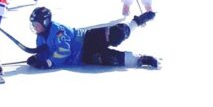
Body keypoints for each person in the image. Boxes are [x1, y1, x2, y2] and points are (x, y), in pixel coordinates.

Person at [26, 7, 158, 69]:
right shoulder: (40, 37)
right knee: (111, 59)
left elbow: (64, 51)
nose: (35, 27)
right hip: (82, 57)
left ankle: (137, 22)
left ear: (45, 22)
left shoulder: (57, 31)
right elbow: (45, 50)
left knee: (117, 35)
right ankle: (142, 59)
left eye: (36, 24)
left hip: (87, 39)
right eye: (33, 25)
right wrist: (37, 58)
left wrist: (48, 63)